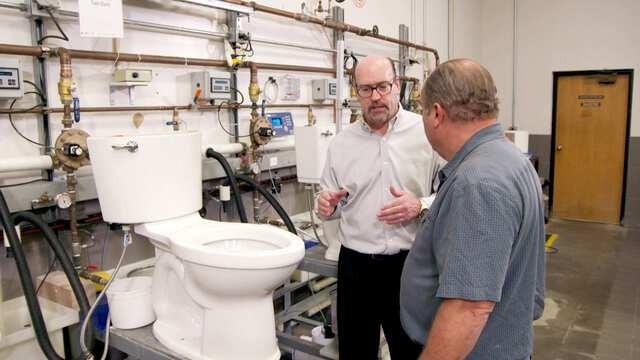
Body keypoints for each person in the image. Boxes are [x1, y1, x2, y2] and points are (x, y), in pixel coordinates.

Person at [400, 59, 546, 360]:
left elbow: (469, 308)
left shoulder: (478, 182)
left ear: (437, 114)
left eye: (423, 111)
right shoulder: (511, 159)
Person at [317, 55, 443, 359]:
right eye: (366, 89)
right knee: (355, 352)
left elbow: (452, 193)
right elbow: (327, 203)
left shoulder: (427, 134)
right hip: (355, 267)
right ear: (355, 92)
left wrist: (420, 204)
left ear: (397, 85)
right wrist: (325, 205)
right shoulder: (341, 144)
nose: (375, 97)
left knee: (411, 350)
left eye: (383, 87)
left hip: (409, 265)